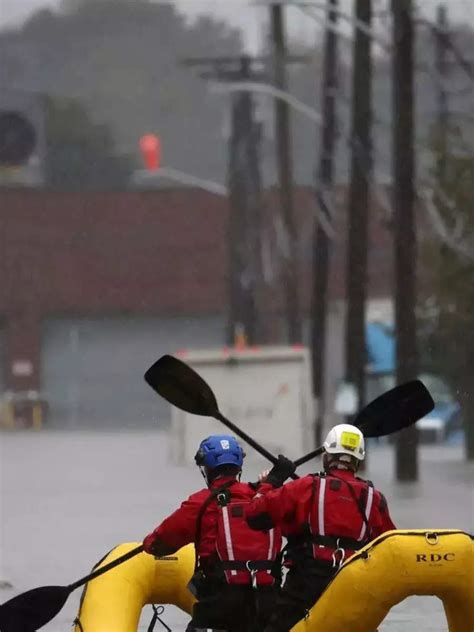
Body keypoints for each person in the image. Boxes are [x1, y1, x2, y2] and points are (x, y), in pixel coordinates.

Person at [246, 424, 396, 632]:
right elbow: (390, 552)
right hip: (354, 587)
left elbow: (255, 516)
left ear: (327, 456)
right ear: (358, 461)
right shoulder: (374, 499)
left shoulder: (306, 487)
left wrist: (271, 481)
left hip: (305, 587)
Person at [142, 434, 282, 632]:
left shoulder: (201, 503)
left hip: (221, 603)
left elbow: (159, 543)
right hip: (267, 600)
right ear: (238, 467)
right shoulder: (264, 498)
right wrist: (271, 483)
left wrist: (148, 543)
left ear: (207, 468)